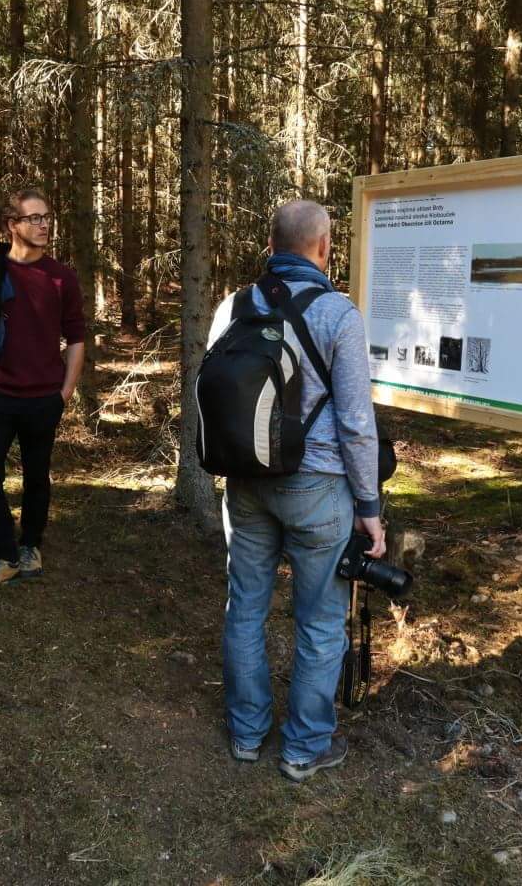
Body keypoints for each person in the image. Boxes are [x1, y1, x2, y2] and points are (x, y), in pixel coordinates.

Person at [208, 200, 386, 783]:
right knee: (319, 622)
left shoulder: (232, 307)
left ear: (271, 247)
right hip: (319, 490)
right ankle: (304, 747)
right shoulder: (339, 314)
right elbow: (358, 422)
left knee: (245, 609)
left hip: (247, 483)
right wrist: (369, 507)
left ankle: (246, 732)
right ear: (324, 247)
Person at [0, 190, 85, 596]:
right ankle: (4, 554)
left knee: (36, 475)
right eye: (33, 218)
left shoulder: (61, 277)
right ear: (11, 224)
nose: (44, 224)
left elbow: (77, 339)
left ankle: (31, 545)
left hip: (43, 397)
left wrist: (64, 393)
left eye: (47, 217)